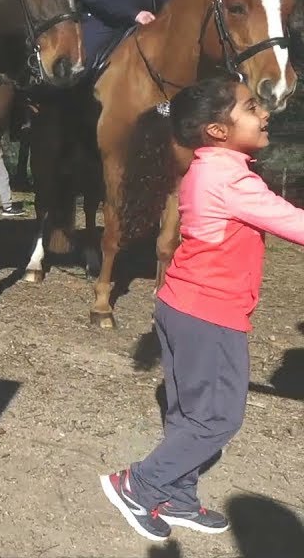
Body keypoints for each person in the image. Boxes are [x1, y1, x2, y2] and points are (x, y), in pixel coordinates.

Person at [100, 75, 304, 541]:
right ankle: (140, 484)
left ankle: (178, 496)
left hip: (182, 307)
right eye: (252, 107)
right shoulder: (228, 176)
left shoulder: (210, 167)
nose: (265, 113)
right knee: (218, 418)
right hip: (209, 316)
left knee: (190, 415)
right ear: (217, 129)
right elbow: (294, 222)